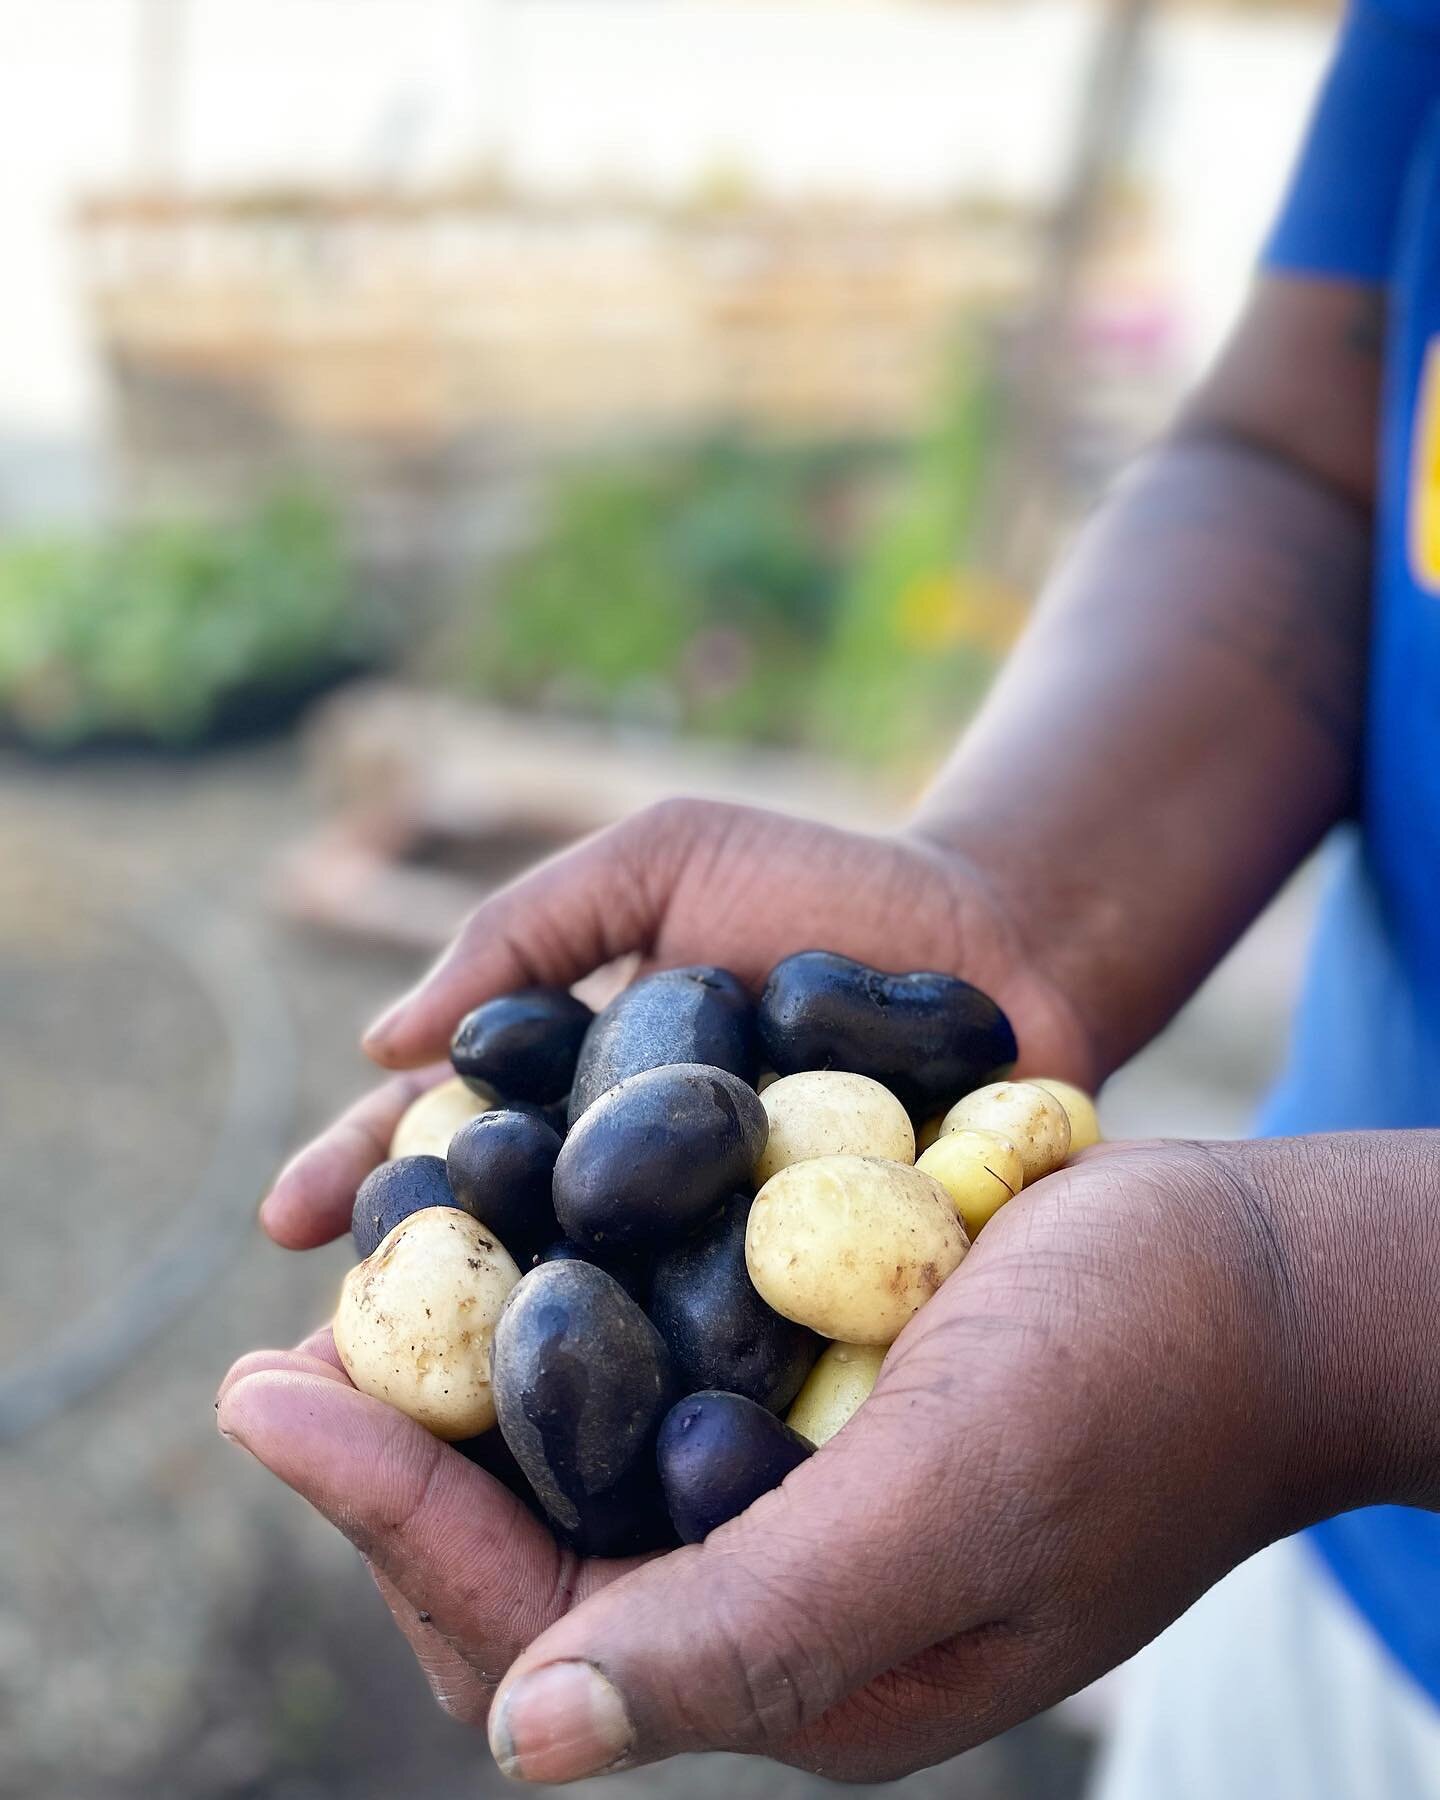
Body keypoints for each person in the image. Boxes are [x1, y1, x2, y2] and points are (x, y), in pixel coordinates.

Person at [218, 3, 1440, 1790]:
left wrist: (1309, 1324)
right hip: (1334, 1562)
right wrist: (1008, 890)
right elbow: (1315, 442)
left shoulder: (1283, 1342)